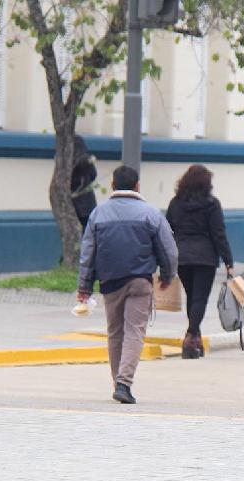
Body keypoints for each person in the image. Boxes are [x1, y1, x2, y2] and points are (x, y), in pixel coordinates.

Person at [77, 165, 178, 404]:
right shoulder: (151, 214)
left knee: (115, 333)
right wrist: (167, 276)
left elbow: (87, 253)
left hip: (110, 282)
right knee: (134, 331)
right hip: (140, 281)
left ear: (112, 185)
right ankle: (124, 383)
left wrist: (84, 287)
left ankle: (118, 382)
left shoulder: (98, 214)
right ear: (137, 186)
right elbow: (169, 250)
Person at [166, 164, 235, 359]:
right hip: (205, 258)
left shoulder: (175, 203)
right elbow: (219, 234)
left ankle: (195, 340)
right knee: (199, 299)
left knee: (192, 297)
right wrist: (228, 261)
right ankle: (190, 337)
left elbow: (168, 230)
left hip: (182, 257)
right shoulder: (211, 204)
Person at [71, 134, 98, 231]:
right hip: (87, 203)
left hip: (72, 204)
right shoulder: (86, 162)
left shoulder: (67, 163)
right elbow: (93, 175)